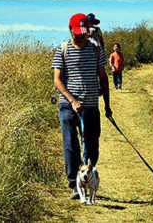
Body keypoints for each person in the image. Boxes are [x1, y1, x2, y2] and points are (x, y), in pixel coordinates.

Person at [52, 13, 112, 200]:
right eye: (76, 32)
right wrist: (72, 100)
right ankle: (75, 184)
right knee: (71, 145)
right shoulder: (62, 50)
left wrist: (107, 106)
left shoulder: (95, 49)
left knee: (92, 145)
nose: (80, 36)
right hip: (68, 106)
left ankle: (89, 178)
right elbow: (57, 80)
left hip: (91, 104)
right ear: (70, 30)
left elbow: (103, 78)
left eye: (83, 33)